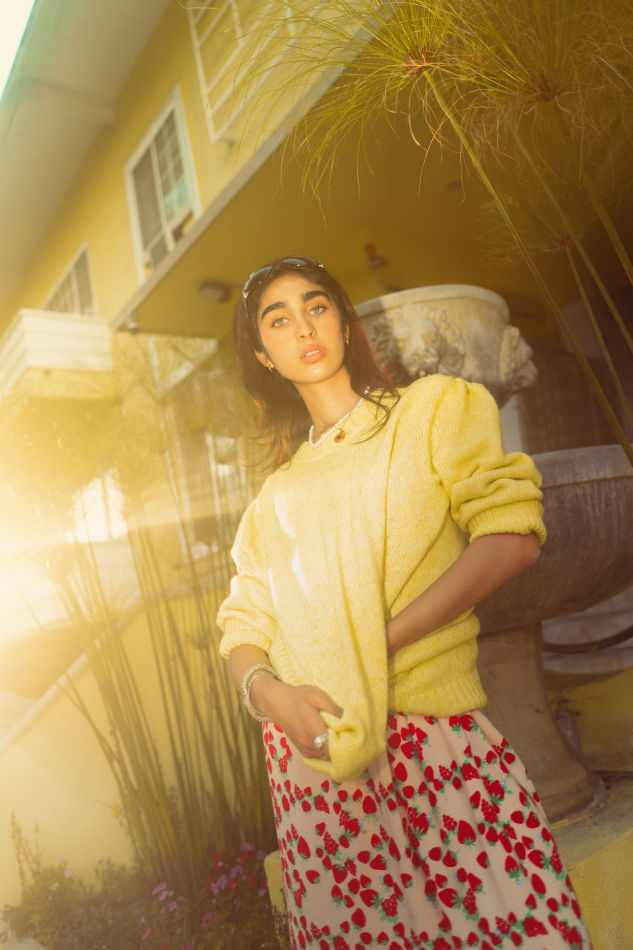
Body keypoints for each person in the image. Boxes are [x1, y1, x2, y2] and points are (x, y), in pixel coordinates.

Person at [217, 255, 593, 950]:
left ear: (344, 323)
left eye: (316, 306)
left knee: (517, 930)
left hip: (432, 747)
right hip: (315, 770)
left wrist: (373, 644)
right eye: (279, 319)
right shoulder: (272, 500)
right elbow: (244, 624)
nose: (303, 327)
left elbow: (511, 536)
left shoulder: (433, 410)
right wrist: (269, 695)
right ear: (263, 355)